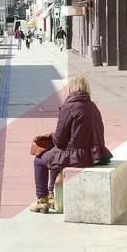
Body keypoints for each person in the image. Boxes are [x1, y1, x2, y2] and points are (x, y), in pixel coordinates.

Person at [31, 75, 112, 212]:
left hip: (77, 157)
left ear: (70, 89)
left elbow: (59, 140)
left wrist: (50, 137)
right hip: (96, 154)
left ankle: (42, 200)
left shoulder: (68, 107)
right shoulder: (92, 106)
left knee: (39, 160)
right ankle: (51, 194)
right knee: (55, 154)